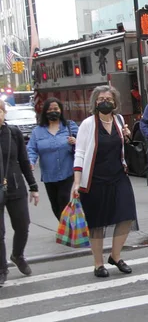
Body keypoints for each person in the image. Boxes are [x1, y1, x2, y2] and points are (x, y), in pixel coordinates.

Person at [71, 85, 138, 278]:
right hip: (94, 180)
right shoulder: (87, 124)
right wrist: (77, 182)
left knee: (126, 215)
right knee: (97, 223)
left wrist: (126, 135)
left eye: (108, 98)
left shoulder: (118, 120)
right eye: (100, 99)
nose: (104, 102)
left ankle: (115, 256)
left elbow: (123, 147)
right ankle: (98, 263)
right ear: (95, 103)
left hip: (118, 176)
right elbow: (80, 153)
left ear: (115, 102)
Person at [0, 99, 39, 287]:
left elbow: (24, 161)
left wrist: (33, 186)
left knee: (23, 225)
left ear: (3, 112)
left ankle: (17, 255)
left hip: (15, 186)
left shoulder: (13, 133)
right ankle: (1, 269)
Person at [27, 98, 79, 220]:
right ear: (45, 112)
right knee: (55, 205)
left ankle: (68, 231)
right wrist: (31, 162)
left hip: (68, 172)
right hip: (49, 175)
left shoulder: (70, 127)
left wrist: (75, 142)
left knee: (63, 199)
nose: (53, 111)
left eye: (56, 109)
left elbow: (83, 145)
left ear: (60, 110)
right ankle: (65, 227)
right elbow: (31, 149)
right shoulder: (37, 132)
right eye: (50, 109)